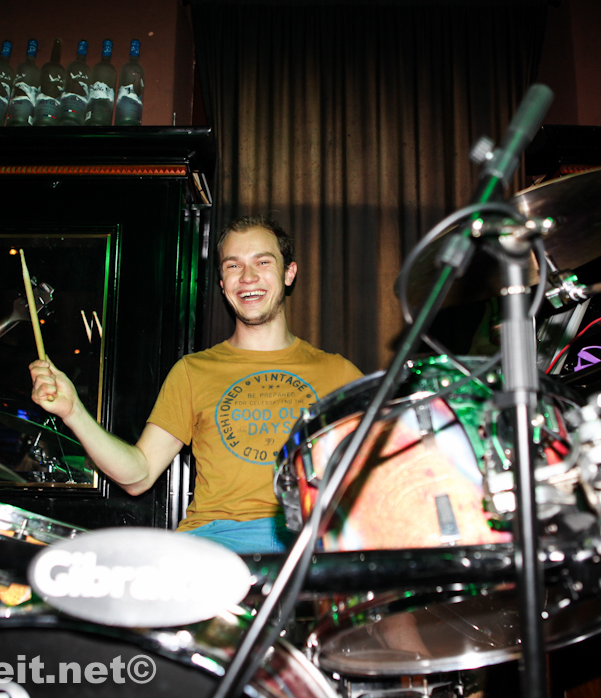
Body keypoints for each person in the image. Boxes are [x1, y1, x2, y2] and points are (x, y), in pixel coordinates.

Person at [30, 215, 363, 553]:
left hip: (308, 544)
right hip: (213, 546)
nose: (247, 276)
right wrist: (73, 412)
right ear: (222, 283)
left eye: (263, 262)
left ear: (289, 273)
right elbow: (139, 475)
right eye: (233, 266)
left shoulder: (338, 374)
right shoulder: (193, 371)